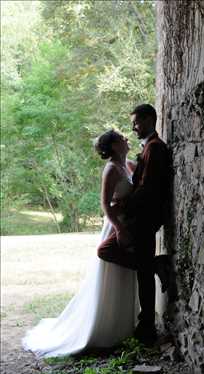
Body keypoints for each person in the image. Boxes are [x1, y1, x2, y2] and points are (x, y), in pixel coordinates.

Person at [22, 130, 137, 357]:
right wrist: (120, 229)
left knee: (126, 273)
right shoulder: (112, 169)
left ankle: (124, 327)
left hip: (129, 223)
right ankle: (105, 329)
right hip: (116, 226)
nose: (127, 139)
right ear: (114, 146)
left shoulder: (129, 165)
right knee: (113, 272)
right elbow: (105, 205)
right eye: (122, 138)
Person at [98, 104, 171, 346]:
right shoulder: (145, 150)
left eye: (136, 122)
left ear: (150, 120)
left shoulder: (155, 148)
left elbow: (148, 188)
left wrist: (125, 206)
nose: (132, 128)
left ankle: (147, 326)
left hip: (143, 219)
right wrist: (120, 218)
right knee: (142, 271)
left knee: (143, 273)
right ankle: (146, 324)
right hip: (135, 220)